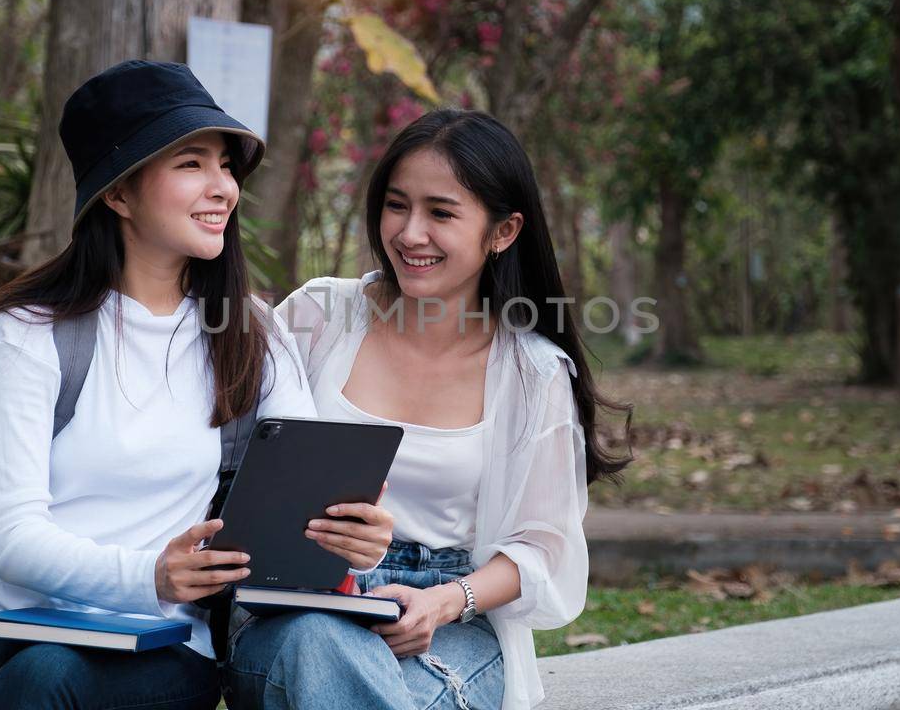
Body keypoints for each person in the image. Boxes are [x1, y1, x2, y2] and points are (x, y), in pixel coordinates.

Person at [0, 61, 393, 710]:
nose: (223, 187)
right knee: (41, 675)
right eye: (191, 164)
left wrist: (351, 542)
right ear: (118, 194)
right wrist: (152, 573)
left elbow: (294, 517)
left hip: (160, 640)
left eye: (226, 165)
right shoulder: (28, 332)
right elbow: (15, 539)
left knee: (50, 676)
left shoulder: (250, 333)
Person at [225, 109, 630, 710]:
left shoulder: (533, 371)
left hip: (451, 619)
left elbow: (543, 552)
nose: (411, 233)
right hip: (297, 605)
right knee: (318, 646)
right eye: (397, 205)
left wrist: (444, 603)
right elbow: (237, 463)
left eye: (441, 213)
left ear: (503, 231)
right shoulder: (317, 318)